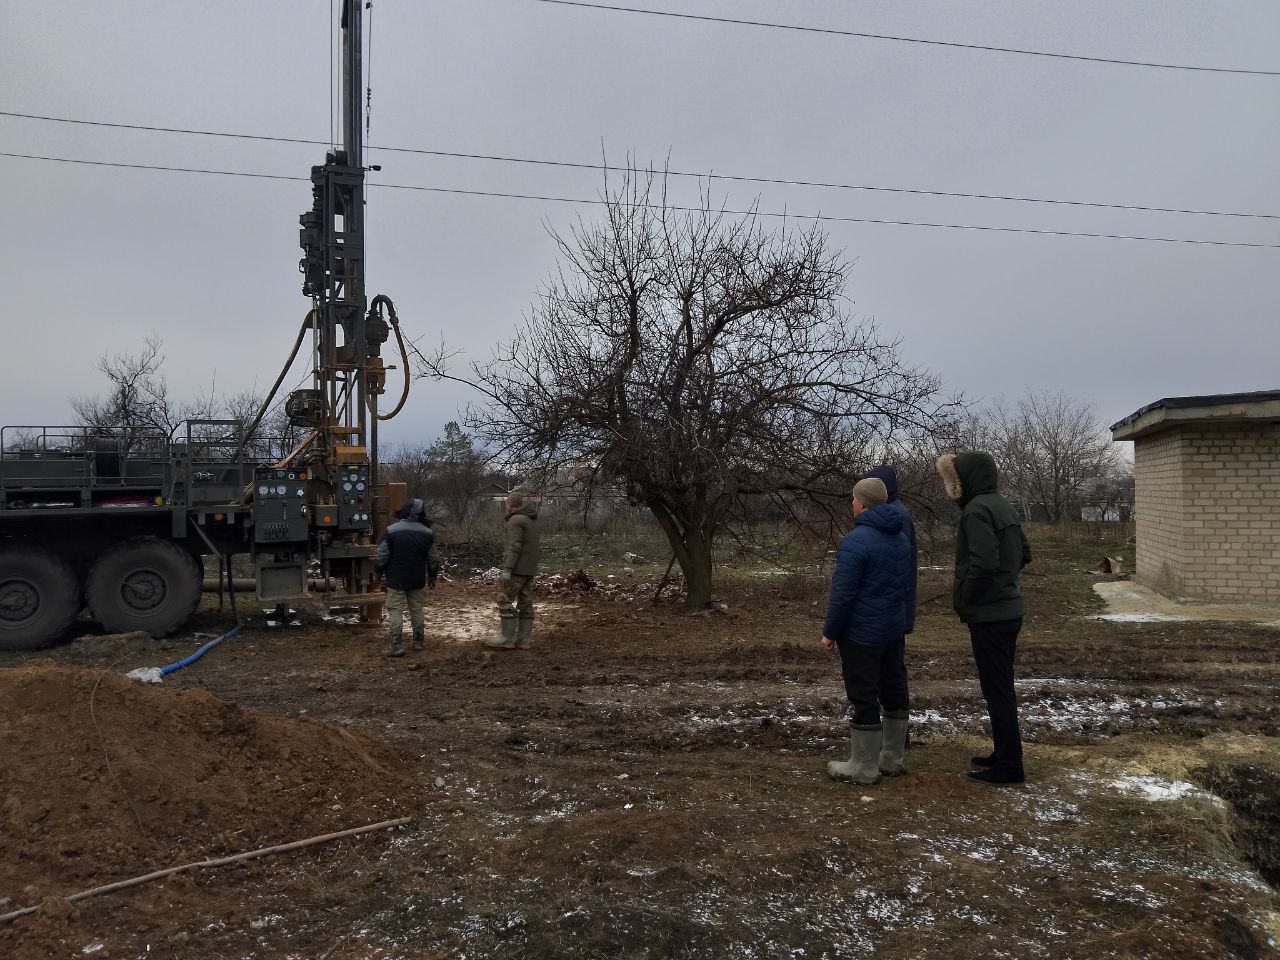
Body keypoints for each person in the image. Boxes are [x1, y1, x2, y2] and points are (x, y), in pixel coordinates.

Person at [935, 452, 1033, 785]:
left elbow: (984, 562)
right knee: (1000, 688)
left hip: (991, 615)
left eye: (953, 479)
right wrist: (1006, 583)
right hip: (1009, 609)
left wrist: (967, 597)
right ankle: (1004, 753)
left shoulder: (976, 511)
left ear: (964, 480)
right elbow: (1025, 552)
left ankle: (1009, 765)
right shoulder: (1002, 505)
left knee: (998, 690)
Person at [821, 477, 913, 786]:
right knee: (894, 688)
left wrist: (830, 631)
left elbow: (843, 593)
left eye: (854, 499)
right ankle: (892, 758)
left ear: (862, 503)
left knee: (863, 694)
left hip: (861, 634)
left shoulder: (856, 541)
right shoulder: (901, 537)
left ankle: (863, 766)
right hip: (892, 630)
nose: (851, 503)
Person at [374, 498, 441, 658]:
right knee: (417, 609)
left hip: (396, 579)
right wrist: (432, 576)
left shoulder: (390, 531)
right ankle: (418, 642)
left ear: (404, 510)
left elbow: (382, 555)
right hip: (417, 579)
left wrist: (378, 572)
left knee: (395, 609)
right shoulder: (428, 533)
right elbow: (434, 558)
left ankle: (396, 646)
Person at [484, 492, 541, 651]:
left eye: (506, 504)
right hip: (529, 570)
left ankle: (507, 638)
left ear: (511, 506)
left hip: (517, 569)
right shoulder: (531, 521)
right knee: (525, 602)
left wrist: (507, 569)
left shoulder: (516, 520)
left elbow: (514, 547)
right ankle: (524, 640)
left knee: (504, 598)